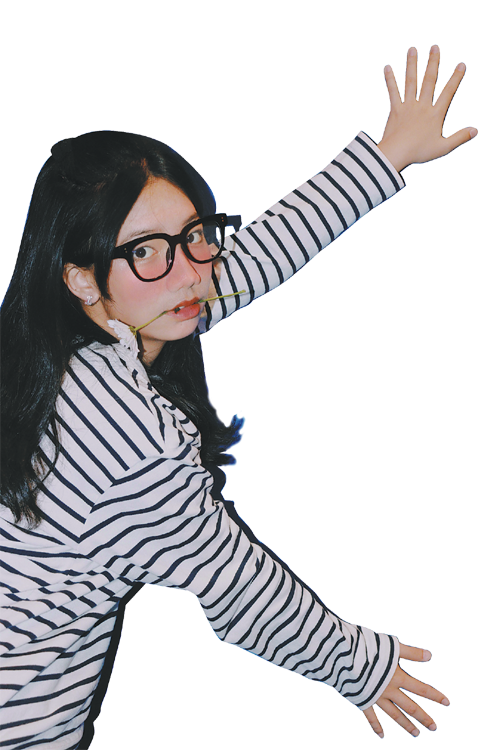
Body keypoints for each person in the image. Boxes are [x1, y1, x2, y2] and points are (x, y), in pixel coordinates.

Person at [0, 46, 476, 749]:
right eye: (146, 251)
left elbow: (245, 262)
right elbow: (235, 585)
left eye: (196, 236)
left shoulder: (46, 344)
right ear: (81, 277)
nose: (191, 274)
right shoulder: (125, 437)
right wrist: (362, 668)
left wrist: (386, 157)